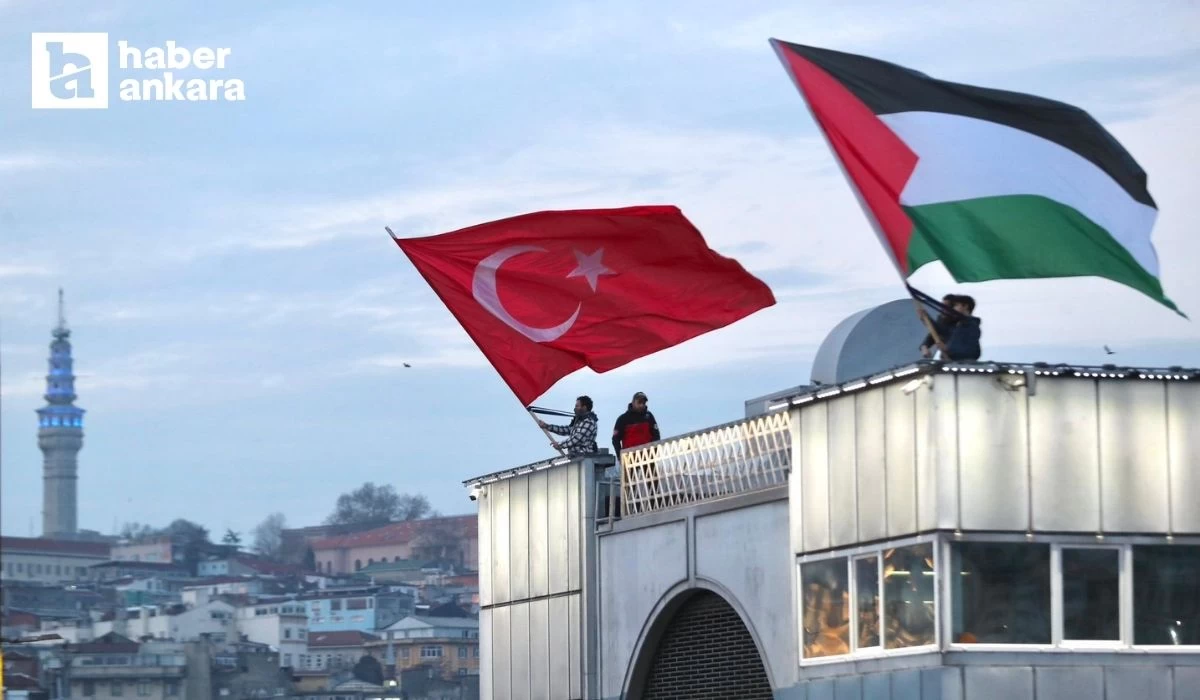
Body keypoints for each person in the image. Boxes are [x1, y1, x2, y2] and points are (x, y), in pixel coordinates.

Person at [612, 391, 660, 456]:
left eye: (644, 403)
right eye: (639, 402)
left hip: (648, 456)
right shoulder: (623, 419)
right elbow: (615, 439)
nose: (642, 405)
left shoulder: (649, 417)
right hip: (630, 458)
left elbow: (656, 435)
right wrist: (620, 456)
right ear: (633, 402)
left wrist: (654, 452)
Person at [919, 294, 958, 359]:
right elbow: (935, 332)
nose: (942, 309)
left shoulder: (961, 323)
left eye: (946, 307)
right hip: (945, 360)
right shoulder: (942, 319)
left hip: (959, 360)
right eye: (942, 306)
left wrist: (947, 349)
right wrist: (925, 346)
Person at [944, 295, 981, 361]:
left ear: (966, 306)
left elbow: (970, 350)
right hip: (955, 362)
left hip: (965, 363)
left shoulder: (971, 325)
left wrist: (948, 350)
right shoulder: (958, 324)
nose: (954, 308)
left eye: (956, 305)